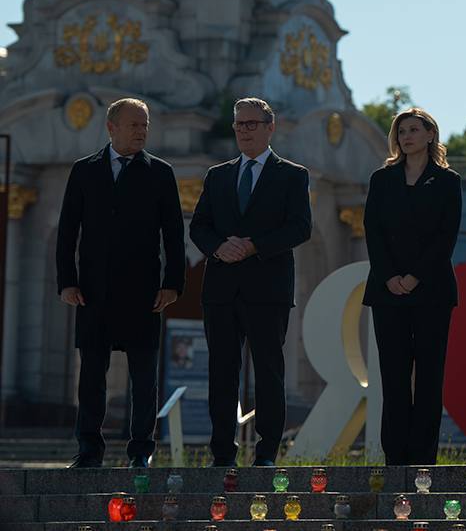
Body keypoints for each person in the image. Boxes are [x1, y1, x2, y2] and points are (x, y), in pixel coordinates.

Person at [56, 98, 185, 468]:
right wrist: (67, 282)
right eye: (134, 125)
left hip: (143, 292)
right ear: (111, 127)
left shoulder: (160, 172)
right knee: (91, 376)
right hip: (93, 291)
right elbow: (67, 232)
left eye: (145, 125)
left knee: (144, 379)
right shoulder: (84, 170)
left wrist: (172, 284)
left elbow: (174, 234)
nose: (141, 132)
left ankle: (141, 451)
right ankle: (88, 450)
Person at [189, 97, 312, 466]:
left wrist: (254, 245)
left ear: (270, 128)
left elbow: (300, 227)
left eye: (252, 124)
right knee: (222, 374)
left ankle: (267, 453)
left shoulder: (292, 175)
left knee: (269, 373)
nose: (244, 130)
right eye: (239, 124)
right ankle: (222, 453)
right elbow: (199, 226)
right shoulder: (217, 175)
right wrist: (218, 247)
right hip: (221, 290)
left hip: (268, 290)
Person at [363, 107, 462, 465]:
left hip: (431, 290)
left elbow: (445, 236)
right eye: (401, 131)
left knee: (429, 377)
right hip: (387, 291)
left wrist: (415, 276)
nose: (406, 137)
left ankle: (423, 460)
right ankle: (395, 459)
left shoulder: (448, 181)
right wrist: (390, 276)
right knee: (393, 376)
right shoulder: (381, 179)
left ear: (430, 135)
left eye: (414, 130)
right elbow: (373, 231)